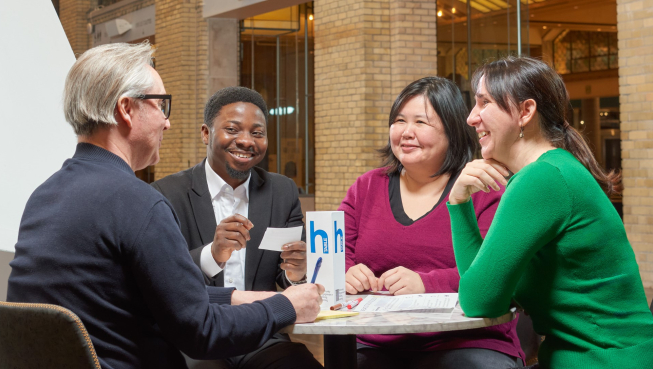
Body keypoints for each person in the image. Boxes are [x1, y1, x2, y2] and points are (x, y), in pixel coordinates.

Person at [6, 42, 324, 369]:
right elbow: (201, 332)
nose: (167, 123)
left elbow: (135, 293)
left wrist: (230, 297)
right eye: (161, 105)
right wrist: (285, 306)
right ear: (127, 109)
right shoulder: (140, 203)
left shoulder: (43, 196)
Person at [447, 56, 653, 368]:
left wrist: (459, 206)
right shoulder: (552, 169)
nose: (471, 118)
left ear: (525, 111)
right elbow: (487, 289)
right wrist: (460, 203)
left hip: (603, 360)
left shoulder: (541, 179)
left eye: (484, 102)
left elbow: (477, 300)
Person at [338, 76, 524, 369]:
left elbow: (495, 275)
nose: (406, 132)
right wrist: (346, 272)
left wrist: (426, 282)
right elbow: (334, 256)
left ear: (451, 131)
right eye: (399, 120)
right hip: (377, 342)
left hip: (467, 340)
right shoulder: (366, 187)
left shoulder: (484, 188)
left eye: (421, 123)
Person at [151, 86, 321, 369]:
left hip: (261, 336)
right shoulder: (166, 194)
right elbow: (163, 280)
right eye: (232, 129)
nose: (246, 141)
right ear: (206, 133)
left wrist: (296, 272)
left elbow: (287, 279)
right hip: (196, 339)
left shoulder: (282, 191)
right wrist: (213, 254)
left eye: (257, 133)